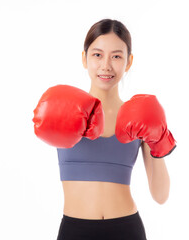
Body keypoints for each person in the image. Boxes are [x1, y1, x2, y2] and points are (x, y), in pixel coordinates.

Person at [33, 19, 176, 240]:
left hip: (127, 229)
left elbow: (161, 195)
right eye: (97, 55)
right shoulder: (63, 107)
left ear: (128, 62)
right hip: (74, 230)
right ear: (84, 58)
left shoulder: (139, 115)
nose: (106, 65)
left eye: (116, 56)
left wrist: (159, 137)